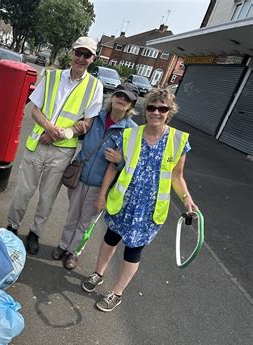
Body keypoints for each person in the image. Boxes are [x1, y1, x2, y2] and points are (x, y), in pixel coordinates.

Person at [81, 88, 198, 312]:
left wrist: (187, 199)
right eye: (152, 107)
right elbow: (113, 167)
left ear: (169, 111)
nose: (156, 112)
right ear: (146, 110)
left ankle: (116, 293)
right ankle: (98, 273)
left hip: (150, 210)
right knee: (110, 239)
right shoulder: (130, 134)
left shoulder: (178, 140)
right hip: (122, 202)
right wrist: (102, 195)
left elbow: (177, 176)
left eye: (162, 108)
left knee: (132, 251)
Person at [6, 36, 104, 255]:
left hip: (61, 152)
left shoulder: (95, 86)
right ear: (71, 53)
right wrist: (50, 128)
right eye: (78, 52)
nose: (80, 58)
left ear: (93, 59)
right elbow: (35, 110)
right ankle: (12, 227)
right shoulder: (50, 77)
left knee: (47, 198)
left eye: (86, 55)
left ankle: (34, 234)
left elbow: (87, 123)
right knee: (23, 191)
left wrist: (59, 134)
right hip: (37, 145)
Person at [52, 83, 139, 270]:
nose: (122, 100)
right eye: (119, 95)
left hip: (101, 185)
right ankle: (62, 245)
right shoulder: (96, 116)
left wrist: (121, 160)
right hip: (80, 177)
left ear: (131, 106)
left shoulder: (132, 130)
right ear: (113, 97)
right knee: (72, 215)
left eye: (127, 99)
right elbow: (78, 134)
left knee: (85, 221)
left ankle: (74, 252)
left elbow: (132, 165)